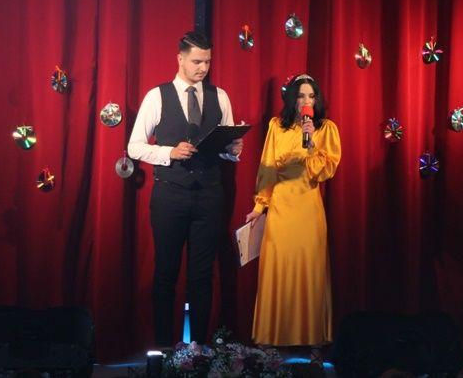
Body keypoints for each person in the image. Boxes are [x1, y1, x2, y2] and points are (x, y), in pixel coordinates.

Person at [128, 31, 243, 347]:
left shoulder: (220, 97)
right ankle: (164, 350)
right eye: (196, 61)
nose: (202, 68)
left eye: (207, 61)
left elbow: (225, 147)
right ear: (180, 59)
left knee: (202, 276)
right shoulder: (157, 96)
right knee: (166, 274)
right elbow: (135, 146)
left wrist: (233, 149)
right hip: (170, 195)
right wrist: (169, 152)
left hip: (210, 195)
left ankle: (198, 350)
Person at [244, 74, 341, 365]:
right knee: (278, 271)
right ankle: (270, 339)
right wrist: (259, 206)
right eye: (300, 96)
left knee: (309, 272)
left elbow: (324, 172)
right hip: (281, 208)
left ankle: (314, 342)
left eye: (311, 96)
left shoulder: (326, 129)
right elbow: (268, 167)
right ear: (292, 99)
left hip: (308, 209)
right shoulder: (277, 126)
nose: (306, 101)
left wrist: (311, 143)